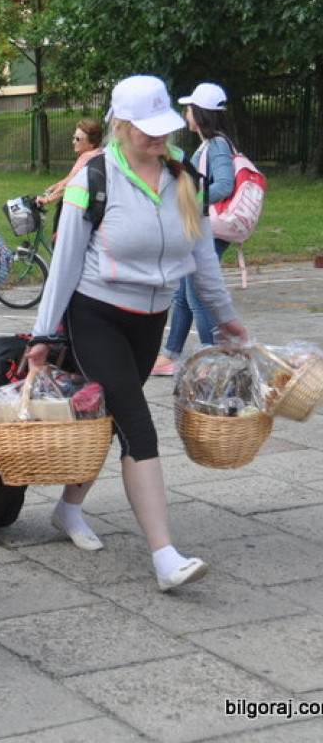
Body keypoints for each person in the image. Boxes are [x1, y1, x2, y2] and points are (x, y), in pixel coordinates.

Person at [23, 75, 247, 591]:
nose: (155, 137)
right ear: (119, 125)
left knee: (108, 419)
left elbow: (200, 256)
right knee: (138, 428)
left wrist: (226, 314)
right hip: (96, 315)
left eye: (161, 127)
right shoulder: (94, 178)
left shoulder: (182, 175)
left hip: (152, 321)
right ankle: (165, 556)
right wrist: (42, 334)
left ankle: (67, 509)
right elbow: (64, 265)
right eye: (144, 129)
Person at [152, 82, 237, 376]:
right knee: (183, 295)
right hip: (200, 228)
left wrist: (191, 201)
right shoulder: (208, 144)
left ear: (200, 113)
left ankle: (210, 360)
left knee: (198, 296)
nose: (186, 113)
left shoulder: (217, 145)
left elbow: (225, 184)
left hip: (209, 229)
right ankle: (171, 354)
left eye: (189, 109)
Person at [35, 119, 104, 227]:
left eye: (78, 139)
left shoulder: (88, 159)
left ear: (92, 142)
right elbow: (69, 178)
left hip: (78, 210)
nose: (73, 142)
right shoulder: (97, 155)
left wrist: (46, 199)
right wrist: (56, 186)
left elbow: (70, 184)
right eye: (74, 138)